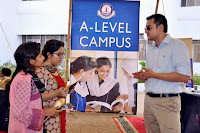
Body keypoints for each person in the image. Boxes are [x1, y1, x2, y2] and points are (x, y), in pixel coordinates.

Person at [133, 14, 191, 133]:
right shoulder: (151, 49)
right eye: (145, 28)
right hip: (149, 100)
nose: (146, 31)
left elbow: (184, 76)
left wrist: (153, 75)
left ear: (160, 27)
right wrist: (144, 76)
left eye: (148, 28)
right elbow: (152, 74)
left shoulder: (177, 46)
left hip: (167, 102)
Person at [8, 42, 61, 133]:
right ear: (31, 61)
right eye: (40, 56)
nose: (43, 58)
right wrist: (46, 112)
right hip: (24, 129)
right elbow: (20, 112)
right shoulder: (23, 80)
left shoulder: (26, 77)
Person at [35, 39, 69, 133]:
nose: (62, 57)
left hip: (59, 113)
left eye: (63, 54)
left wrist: (66, 91)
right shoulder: (40, 72)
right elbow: (36, 97)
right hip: (48, 116)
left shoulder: (55, 70)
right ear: (49, 54)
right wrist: (57, 93)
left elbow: (56, 90)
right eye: (59, 54)